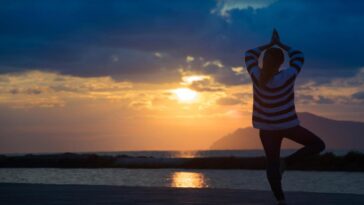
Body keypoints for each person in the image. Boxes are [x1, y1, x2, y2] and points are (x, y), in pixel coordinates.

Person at [244, 29, 326, 205]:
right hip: (289, 125)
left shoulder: (256, 76)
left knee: (271, 163)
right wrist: (280, 44)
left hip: (266, 129)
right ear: (281, 63)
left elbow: (249, 54)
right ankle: (287, 162)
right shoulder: (288, 75)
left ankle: (280, 200)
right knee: (318, 145)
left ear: (264, 62)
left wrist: (268, 44)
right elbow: (298, 55)